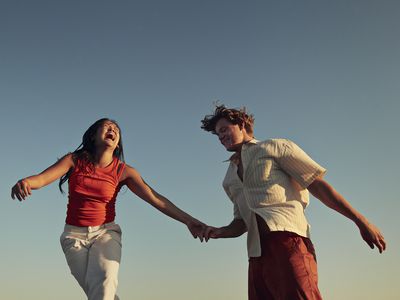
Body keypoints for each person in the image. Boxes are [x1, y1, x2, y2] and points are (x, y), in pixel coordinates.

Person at [200, 104, 386, 300]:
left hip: (288, 242)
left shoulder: (275, 147)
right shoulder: (228, 178)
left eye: (224, 130)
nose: (221, 137)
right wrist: (221, 231)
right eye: (217, 135)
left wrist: (360, 220)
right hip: (256, 256)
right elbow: (241, 222)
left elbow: (317, 185)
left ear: (242, 124)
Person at [11, 118, 207, 300]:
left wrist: (188, 220)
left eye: (116, 129)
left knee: (105, 283)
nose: (112, 129)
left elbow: (156, 198)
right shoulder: (74, 160)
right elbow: (43, 178)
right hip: (73, 237)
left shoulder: (124, 171)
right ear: (93, 136)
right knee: (100, 293)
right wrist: (26, 182)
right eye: (107, 126)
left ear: (118, 143)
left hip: (105, 233)